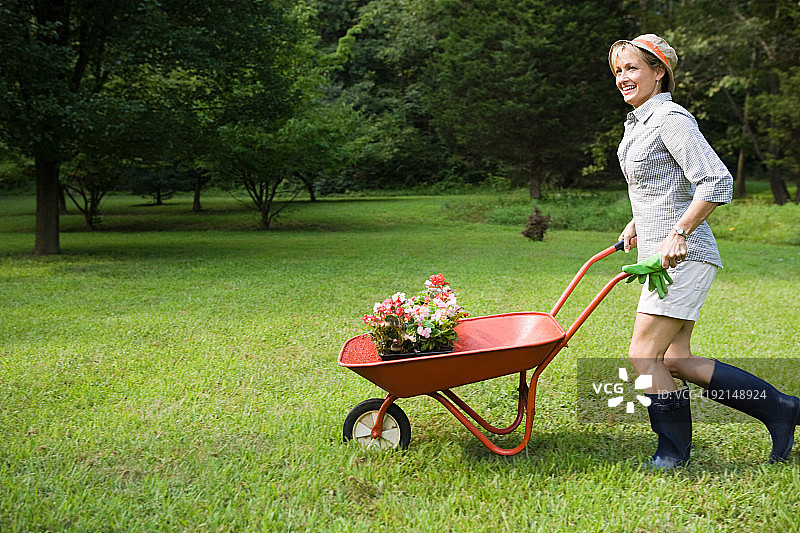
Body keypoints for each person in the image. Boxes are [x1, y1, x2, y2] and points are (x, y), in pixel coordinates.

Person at [609, 34, 800, 468]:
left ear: (659, 72)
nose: (623, 77)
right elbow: (662, 185)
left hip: (684, 255)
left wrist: (679, 231)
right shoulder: (639, 122)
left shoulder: (670, 118)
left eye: (632, 67)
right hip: (660, 257)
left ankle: (672, 452)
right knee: (676, 358)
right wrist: (639, 222)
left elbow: (716, 180)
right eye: (618, 70)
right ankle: (782, 409)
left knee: (643, 354)